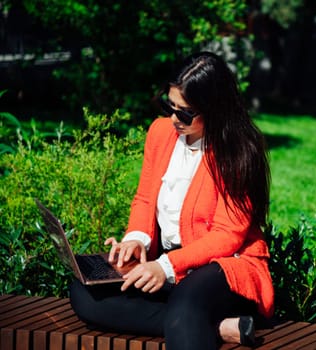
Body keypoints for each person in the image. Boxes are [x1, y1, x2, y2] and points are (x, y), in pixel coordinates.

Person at [69, 51, 274, 349]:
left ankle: (196, 318)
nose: (174, 118)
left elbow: (229, 236)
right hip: (167, 263)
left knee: (185, 306)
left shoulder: (240, 151)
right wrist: (137, 240)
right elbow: (144, 198)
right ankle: (219, 327)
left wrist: (166, 266)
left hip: (224, 264)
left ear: (215, 109)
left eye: (185, 112)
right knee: (84, 292)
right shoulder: (160, 132)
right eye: (170, 106)